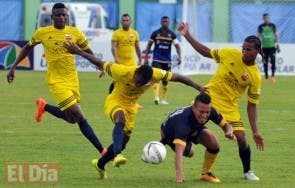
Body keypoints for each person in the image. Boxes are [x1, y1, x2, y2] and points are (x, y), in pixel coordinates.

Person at [63, 41, 206, 179]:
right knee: (120, 119)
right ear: (136, 72)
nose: (138, 85)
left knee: (123, 141)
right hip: (115, 101)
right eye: (137, 82)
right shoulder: (121, 71)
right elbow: (98, 62)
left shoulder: (155, 73)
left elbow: (179, 77)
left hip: (131, 107)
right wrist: (78, 51)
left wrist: (198, 87)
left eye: (142, 84)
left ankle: (100, 164)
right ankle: (117, 155)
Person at [6, 3, 106, 156]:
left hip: (73, 80)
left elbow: (87, 50)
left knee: (71, 119)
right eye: (58, 15)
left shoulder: (75, 33)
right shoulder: (43, 33)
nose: (61, 17)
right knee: (79, 116)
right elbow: (27, 48)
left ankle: (44, 106)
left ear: (67, 16)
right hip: (56, 81)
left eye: (63, 15)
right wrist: (13, 67)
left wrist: (99, 65)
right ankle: (103, 151)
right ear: (52, 17)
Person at [178, 22, 264, 181]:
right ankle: (180, 152)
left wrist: (255, 131)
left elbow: (252, 105)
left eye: (248, 49)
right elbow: (206, 52)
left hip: (229, 107)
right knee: (188, 127)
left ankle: (247, 171)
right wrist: (187, 35)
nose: (244, 52)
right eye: (243, 48)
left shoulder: (255, 77)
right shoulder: (230, 53)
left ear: (257, 51)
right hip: (208, 100)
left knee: (242, 139)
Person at [160, 92, 236, 183]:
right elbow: (179, 152)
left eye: (207, 112)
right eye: (201, 112)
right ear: (193, 108)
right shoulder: (183, 123)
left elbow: (226, 125)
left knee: (213, 142)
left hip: (193, 128)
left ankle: (205, 174)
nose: (204, 115)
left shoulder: (210, 111)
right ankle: (165, 143)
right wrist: (179, 173)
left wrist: (229, 132)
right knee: (190, 153)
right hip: (170, 134)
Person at [144, 16, 181, 105]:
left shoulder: (172, 34)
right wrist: (146, 57)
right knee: (156, 77)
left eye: (166, 21)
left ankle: (164, 99)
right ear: (161, 22)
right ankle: (156, 97)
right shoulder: (155, 33)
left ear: (169, 23)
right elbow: (149, 45)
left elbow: (177, 46)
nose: (165, 23)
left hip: (167, 61)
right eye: (163, 21)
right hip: (157, 59)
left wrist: (180, 56)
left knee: (165, 80)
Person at [110, 13, 143, 110]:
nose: (125, 22)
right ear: (121, 22)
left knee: (135, 83)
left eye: (127, 20)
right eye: (123, 20)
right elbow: (113, 47)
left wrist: (140, 58)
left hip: (132, 63)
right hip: (120, 63)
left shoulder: (135, 33)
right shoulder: (117, 33)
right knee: (118, 83)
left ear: (130, 22)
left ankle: (133, 103)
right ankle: (113, 100)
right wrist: (116, 58)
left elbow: (137, 47)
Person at [258, 13, 280, 83]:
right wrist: (258, 45)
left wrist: (278, 45)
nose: (266, 19)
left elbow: (276, 35)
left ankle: (273, 76)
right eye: (265, 18)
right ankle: (266, 77)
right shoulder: (261, 27)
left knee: (273, 61)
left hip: (272, 47)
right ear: (263, 18)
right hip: (264, 47)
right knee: (265, 62)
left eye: (267, 18)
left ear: (269, 18)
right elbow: (258, 36)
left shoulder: (272, 26)